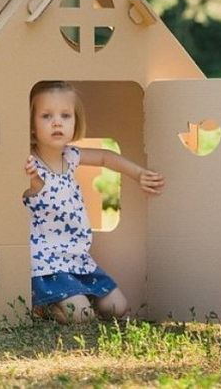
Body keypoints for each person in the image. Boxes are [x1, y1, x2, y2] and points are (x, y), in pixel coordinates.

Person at [24, 81, 164, 324]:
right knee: (82, 316)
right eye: (46, 116)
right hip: (46, 264)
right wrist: (31, 178)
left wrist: (138, 174)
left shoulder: (71, 156)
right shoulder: (30, 163)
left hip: (77, 257)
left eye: (65, 116)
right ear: (32, 126)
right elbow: (28, 189)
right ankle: (41, 308)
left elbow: (105, 156)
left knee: (117, 307)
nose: (57, 122)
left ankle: (69, 301)